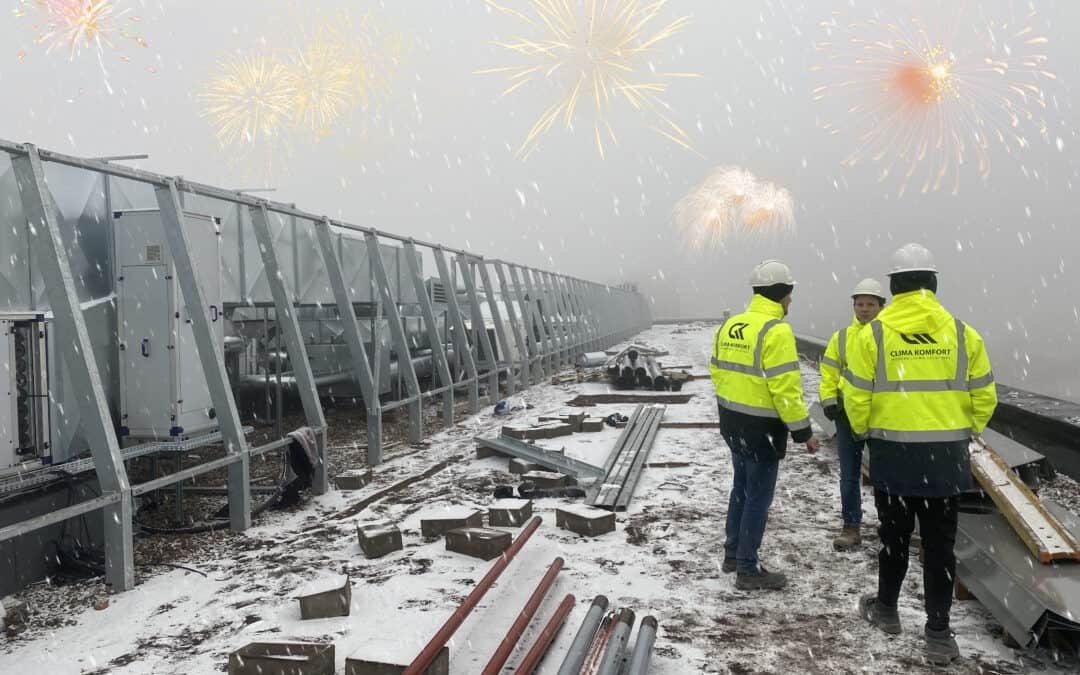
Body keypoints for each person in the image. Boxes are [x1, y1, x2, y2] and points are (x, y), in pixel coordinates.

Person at [843, 243, 997, 666]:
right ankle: (938, 633)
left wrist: (865, 434)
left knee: (892, 539)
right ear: (933, 283)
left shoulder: (873, 334)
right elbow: (985, 397)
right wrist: (961, 433)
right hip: (945, 460)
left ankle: (888, 610)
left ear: (893, 287)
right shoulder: (963, 333)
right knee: (939, 546)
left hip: (893, 457)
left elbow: (855, 397)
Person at [710, 259, 820, 591]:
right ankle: (747, 568)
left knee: (741, 489)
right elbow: (785, 388)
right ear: (780, 293)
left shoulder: (732, 325)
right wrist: (803, 432)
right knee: (758, 497)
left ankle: (733, 553)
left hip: (733, 422)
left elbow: (717, 370)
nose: (791, 301)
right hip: (761, 430)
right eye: (789, 295)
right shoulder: (776, 331)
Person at [819, 278, 886, 551]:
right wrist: (828, 400)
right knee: (849, 474)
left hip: (881, 415)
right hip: (847, 414)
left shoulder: (889, 337)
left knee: (885, 475)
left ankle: (889, 524)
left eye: (871, 304)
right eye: (860, 304)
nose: (865, 309)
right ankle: (851, 526)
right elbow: (829, 373)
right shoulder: (842, 337)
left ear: (882, 306)